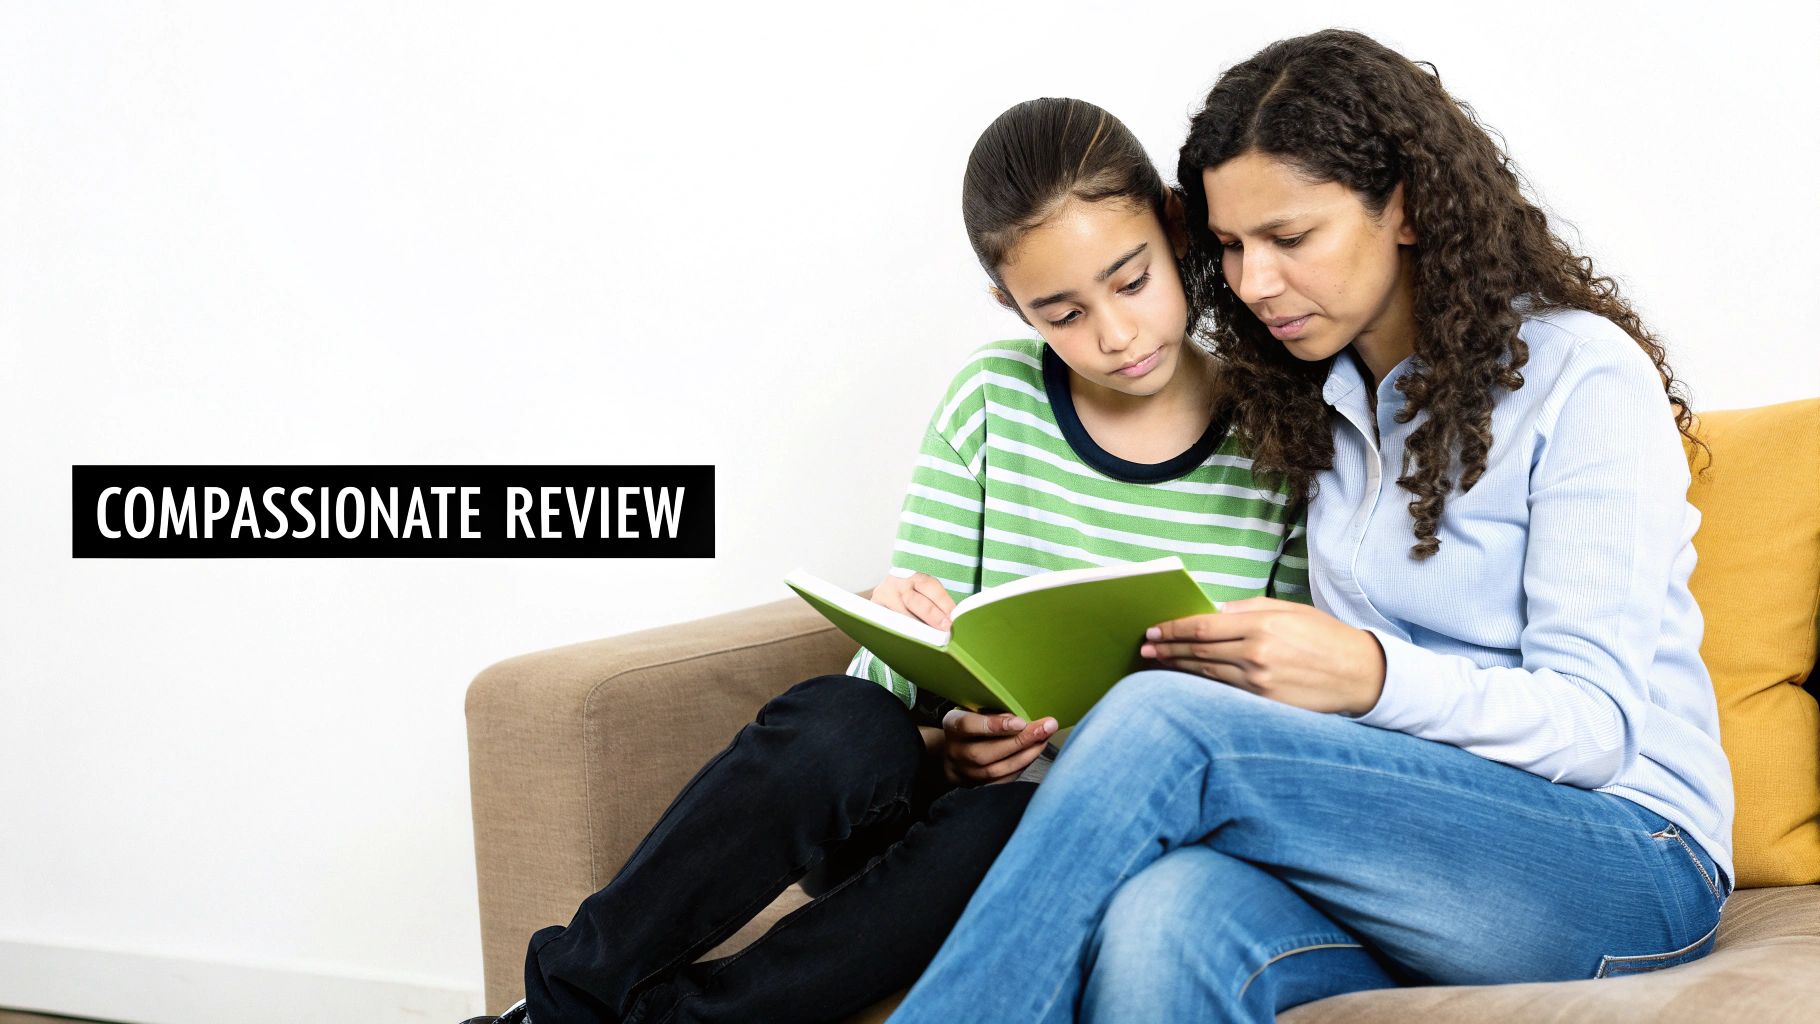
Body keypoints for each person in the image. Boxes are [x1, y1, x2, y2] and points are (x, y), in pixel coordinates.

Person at [886, 29, 1734, 1024]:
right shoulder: (1309, 408)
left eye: (1289, 239)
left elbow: (1596, 730)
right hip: (1404, 850)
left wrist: (1367, 674)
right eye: (1232, 247)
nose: (1252, 284)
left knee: (1162, 719)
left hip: (1627, 856)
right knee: (1161, 914)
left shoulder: (1581, 377)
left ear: (1405, 206)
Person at [462, 97, 1309, 1024]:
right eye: (1062, 314)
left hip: (1073, 832)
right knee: (840, 721)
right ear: (1011, 306)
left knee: (1008, 825)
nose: (1114, 334)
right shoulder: (992, 400)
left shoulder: (1276, 439)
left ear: (1175, 226)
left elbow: (1282, 710)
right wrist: (948, 736)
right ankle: (561, 1002)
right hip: (931, 799)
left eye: (1132, 281)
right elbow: (895, 677)